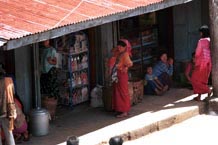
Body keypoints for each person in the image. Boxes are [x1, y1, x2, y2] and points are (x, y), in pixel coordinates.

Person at [111, 40, 133, 118]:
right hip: (117, 75)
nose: (119, 47)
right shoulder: (118, 53)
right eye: (119, 46)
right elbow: (112, 52)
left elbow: (130, 63)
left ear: (125, 47)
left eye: (121, 46)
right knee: (117, 92)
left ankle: (124, 111)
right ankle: (120, 109)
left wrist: (125, 67)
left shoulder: (125, 54)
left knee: (123, 92)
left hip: (122, 75)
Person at [191, 25, 212, 101]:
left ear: (202, 33)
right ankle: (199, 97)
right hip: (208, 63)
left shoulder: (201, 41)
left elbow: (197, 53)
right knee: (203, 80)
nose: (200, 34)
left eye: (200, 33)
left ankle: (208, 90)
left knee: (194, 79)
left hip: (201, 63)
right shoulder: (210, 40)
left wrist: (195, 58)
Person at [0, 67, 17, 145]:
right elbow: (13, 93)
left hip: (2, 109)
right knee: (9, 133)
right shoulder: (9, 80)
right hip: (9, 108)